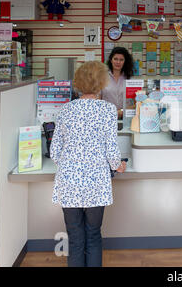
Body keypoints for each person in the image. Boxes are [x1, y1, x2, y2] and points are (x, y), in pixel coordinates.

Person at [50, 61, 127, 267]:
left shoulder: (66, 110)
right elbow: (111, 150)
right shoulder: (108, 110)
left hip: (69, 182)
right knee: (93, 235)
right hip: (96, 182)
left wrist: (71, 163)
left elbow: (54, 151)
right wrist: (118, 165)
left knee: (74, 238)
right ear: (101, 82)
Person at [102, 47, 134, 119]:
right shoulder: (102, 77)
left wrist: (122, 111)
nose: (118, 62)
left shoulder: (129, 79)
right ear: (111, 60)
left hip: (126, 118)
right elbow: (98, 100)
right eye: (115, 59)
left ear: (125, 61)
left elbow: (136, 102)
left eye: (121, 60)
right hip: (107, 117)